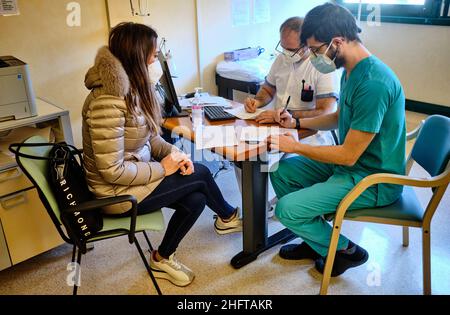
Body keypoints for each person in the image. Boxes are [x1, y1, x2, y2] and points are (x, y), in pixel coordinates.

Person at [82, 22, 241, 287]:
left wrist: (176, 154)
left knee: (196, 197)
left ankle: (161, 257)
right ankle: (228, 217)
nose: (158, 61)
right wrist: (163, 169)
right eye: (154, 56)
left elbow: (151, 137)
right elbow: (111, 170)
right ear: (137, 57)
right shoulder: (107, 101)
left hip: (134, 177)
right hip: (115, 193)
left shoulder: (131, 90)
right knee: (201, 173)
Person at [268, 3, 406, 277]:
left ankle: (345, 251)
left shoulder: (373, 83)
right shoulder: (352, 70)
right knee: (281, 171)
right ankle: (316, 241)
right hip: (353, 167)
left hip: (373, 178)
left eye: (316, 50)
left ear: (337, 42)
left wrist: (295, 145)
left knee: (286, 209)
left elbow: (347, 156)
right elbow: (340, 117)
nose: (314, 57)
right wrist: (296, 123)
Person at [245, 16, 340, 145]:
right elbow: (267, 90)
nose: (286, 53)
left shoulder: (323, 66)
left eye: (291, 50)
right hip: (280, 127)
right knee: (250, 147)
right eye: (283, 47)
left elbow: (325, 112)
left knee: (272, 161)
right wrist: (257, 101)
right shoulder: (280, 59)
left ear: (307, 45)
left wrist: (284, 115)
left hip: (311, 136)